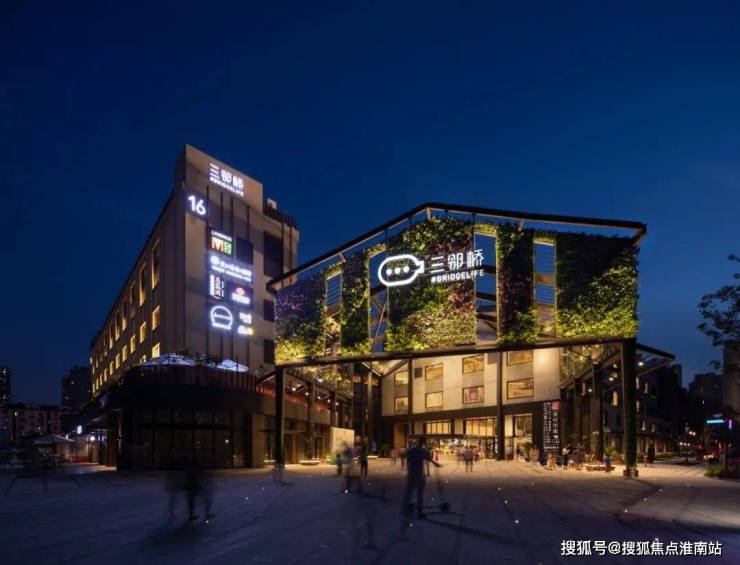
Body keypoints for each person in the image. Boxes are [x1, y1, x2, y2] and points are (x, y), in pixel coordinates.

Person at [402, 436, 441, 519]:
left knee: (409, 492)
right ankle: (419, 513)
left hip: (411, 473)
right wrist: (436, 464)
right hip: (419, 473)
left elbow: (407, 461)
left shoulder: (411, 450)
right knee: (419, 494)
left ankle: (405, 511)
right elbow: (429, 459)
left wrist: (408, 472)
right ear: (424, 442)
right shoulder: (423, 450)